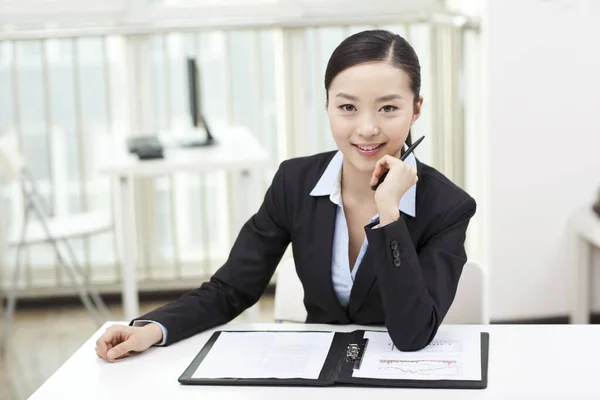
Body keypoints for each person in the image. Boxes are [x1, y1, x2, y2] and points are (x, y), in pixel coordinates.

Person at [96, 29, 476, 362]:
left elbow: (412, 335)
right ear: (327, 105)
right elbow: (232, 289)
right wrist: (153, 328)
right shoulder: (294, 182)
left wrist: (389, 214)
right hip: (314, 377)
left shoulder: (447, 207)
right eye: (347, 107)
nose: (367, 128)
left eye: (389, 108)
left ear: (416, 110)